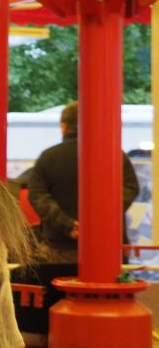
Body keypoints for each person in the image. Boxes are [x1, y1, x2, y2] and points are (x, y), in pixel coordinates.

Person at [27, 101, 139, 262]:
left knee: (61, 287)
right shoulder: (115, 154)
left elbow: (38, 196)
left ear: (63, 127)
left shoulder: (48, 157)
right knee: (107, 286)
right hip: (107, 243)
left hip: (59, 247)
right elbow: (130, 188)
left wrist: (69, 225)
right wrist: (99, 220)